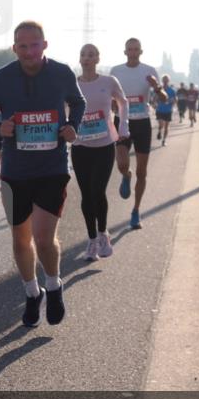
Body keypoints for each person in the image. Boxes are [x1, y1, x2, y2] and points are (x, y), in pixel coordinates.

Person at [0, 21, 85, 328]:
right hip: (15, 172)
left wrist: (74, 126)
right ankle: (32, 293)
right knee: (21, 240)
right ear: (14, 48)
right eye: (23, 46)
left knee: (44, 238)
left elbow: (78, 102)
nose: (29, 51)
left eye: (35, 45)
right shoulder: (1, 78)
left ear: (44, 45)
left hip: (52, 167)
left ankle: (54, 285)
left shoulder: (61, 73)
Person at [71, 44, 128, 261]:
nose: (87, 58)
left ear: (97, 58)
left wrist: (123, 127)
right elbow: (61, 107)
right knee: (86, 195)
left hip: (104, 145)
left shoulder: (108, 81)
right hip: (80, 146)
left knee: (97, 191)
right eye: (83, 54)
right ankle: (92, 239)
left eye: (91, 55)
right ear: (80, 59)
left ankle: (103, 233)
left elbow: (123, 102)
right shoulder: (72, 85)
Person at [110, 38, 166, 230]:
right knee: (122, 163)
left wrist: (156, 86)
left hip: (142, 122)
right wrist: (111, 104)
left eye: (136, 49)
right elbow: (110, 101)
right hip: (121, 121)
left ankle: (135, 211)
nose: (133, 52)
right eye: (129, 49)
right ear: (125, 52)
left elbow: (164, 98)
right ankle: (126, 175)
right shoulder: (116, 72)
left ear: (141, 52)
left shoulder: (149, 71)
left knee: (142, 172)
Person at [155, 74, 176, 146]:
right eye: (164, 80)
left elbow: (175, 100)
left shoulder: (172, 90)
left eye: (166, 80)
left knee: (166, 126)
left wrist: (172, 104)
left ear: (168, 81)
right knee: (161, 125)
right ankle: (160, 131)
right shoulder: (159, 89)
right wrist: (155, 102)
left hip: (168, 110)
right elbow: (155, 98)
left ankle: (164, 140)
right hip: (160, 109)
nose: (165, 82)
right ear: (162, 81)